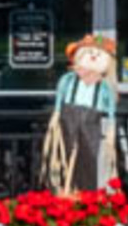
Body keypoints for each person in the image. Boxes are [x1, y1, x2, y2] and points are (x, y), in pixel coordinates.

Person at [42, 33, 118, 192]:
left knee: (91, 159)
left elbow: (110, 107)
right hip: (68, 120)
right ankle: (67, 189)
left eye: (98, 54)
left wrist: (110, 127)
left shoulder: (104, 86)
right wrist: (56, 116)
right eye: (90, 53)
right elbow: (59, 99)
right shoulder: (68, 80)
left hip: (93, 124)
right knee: (67, 156)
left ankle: (91, 193)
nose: (94, 57)